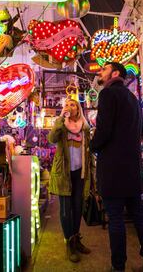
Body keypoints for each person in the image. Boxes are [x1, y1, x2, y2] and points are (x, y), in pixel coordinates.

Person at [90, 62, 143, 272]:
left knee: (116, 219)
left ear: (115, 73)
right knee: (139, 215)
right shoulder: (132, 98)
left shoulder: (108, 94)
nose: (100, 72)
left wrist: (93, 145)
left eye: (104, 69)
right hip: (132, 168)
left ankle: (118, 267)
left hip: (113, 169)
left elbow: (104, 130)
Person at [48, 98, 92, 263]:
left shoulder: (85, 127)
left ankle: (76, 239)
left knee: (78, 207)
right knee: (66, 210)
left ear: (78, 108)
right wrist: (60, 118)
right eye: (66, 104)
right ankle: (69, 243)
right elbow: (52, 138)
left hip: (80, 173)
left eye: (72, 104)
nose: (69, 106)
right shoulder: (61, 125)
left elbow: (89, 150)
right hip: (64, 173)